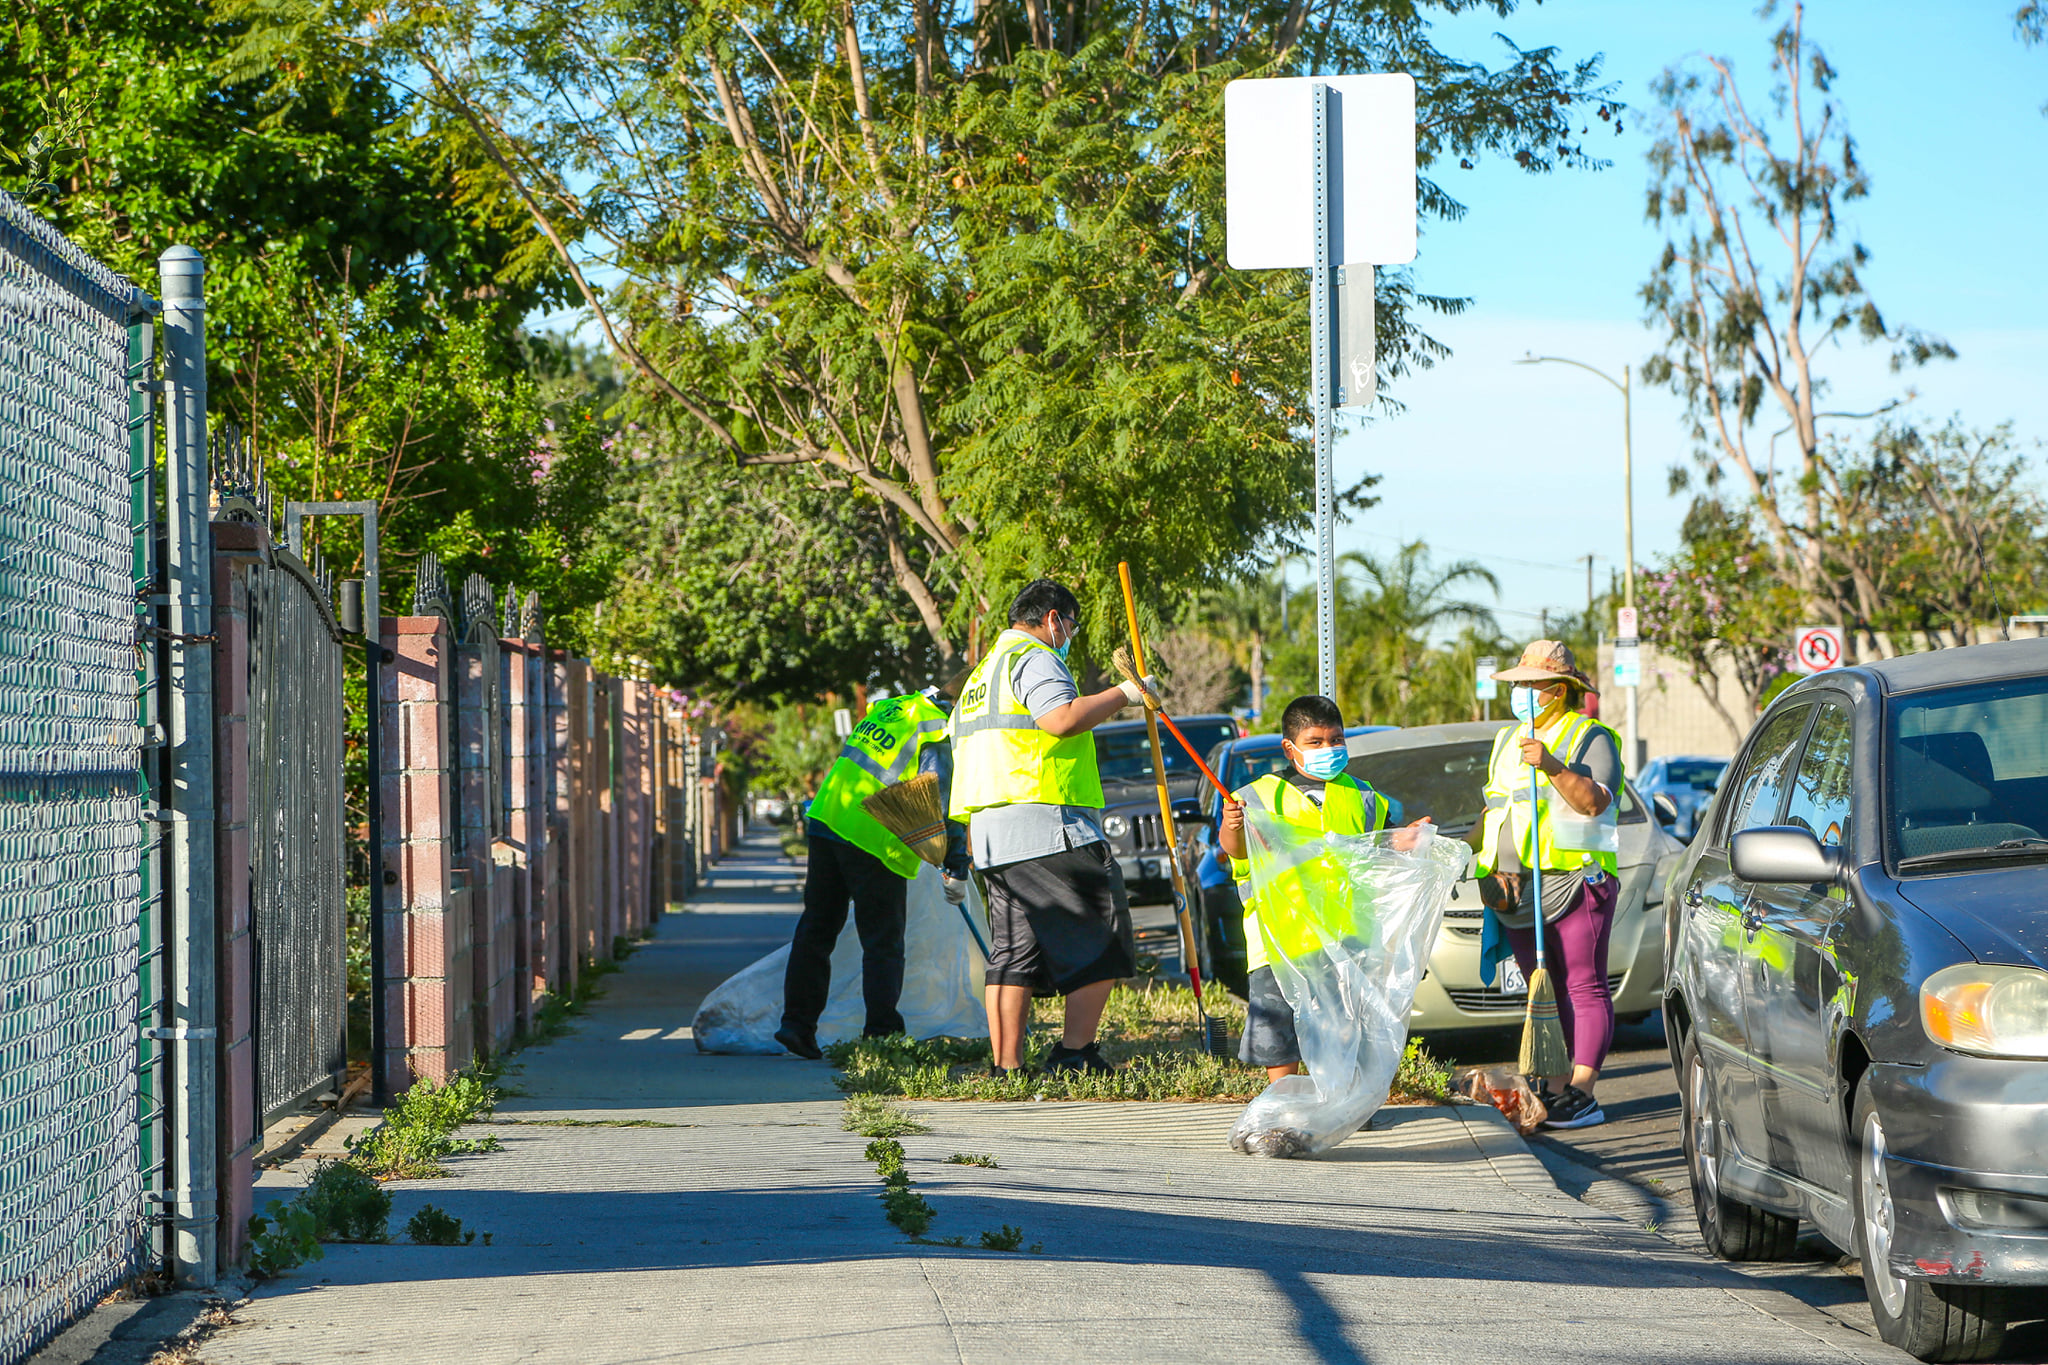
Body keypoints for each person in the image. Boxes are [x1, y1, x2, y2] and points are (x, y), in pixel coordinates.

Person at [949, 579, 1160, 1077]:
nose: (1069, 636)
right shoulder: (1035, 658)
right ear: (1052, 620)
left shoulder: (981, 675)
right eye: (1070, 626)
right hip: (1045, 823)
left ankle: (1007, 1066)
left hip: (992, 835)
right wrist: (1127, 693)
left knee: (1012, 951)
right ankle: (1074, 1053)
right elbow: (1060, 719)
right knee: (1104, 933)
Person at [1216, 696, 1409, 1083]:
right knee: (1280, 1035)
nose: (1330, 749)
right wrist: (1233, 826)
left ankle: (1348, 1105)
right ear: (1290, 748)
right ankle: (1283, 1103)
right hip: (1279, 938)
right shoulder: (1258, 797)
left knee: (1346, 1026)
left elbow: (1379, 849)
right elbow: (1237, 853)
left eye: (1337, 739)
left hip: (1347, 935)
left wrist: (1408, 840)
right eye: (1316, 742)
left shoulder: (1364, 795)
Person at [775, 687, 970, 1060]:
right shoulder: (938, 728)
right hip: (873, 836)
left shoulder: (898, 708)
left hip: (828, 818)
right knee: (883, 942)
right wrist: (956, 865)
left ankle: (796, 1025)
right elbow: (939, 796)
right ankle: (881, 1034)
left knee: (816, 929)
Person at [1475, 640, 1624, 1131]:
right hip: (1514, 890)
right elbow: (1494, 809)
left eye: (1529, 685)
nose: (1520, 693)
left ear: (1558, 691)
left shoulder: (1590, 737)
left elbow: (1593, 803)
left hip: (1575, 881)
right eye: (1517, 684)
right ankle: (1555, 1085)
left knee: (1584, 983)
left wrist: (1553, 765)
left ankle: (1583, 1091)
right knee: (1545, 988)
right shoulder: (1505, 741)